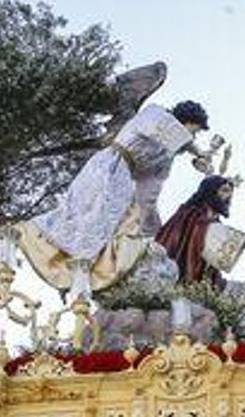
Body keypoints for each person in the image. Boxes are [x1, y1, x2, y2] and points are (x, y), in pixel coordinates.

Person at [17, 101, 213, 293]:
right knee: (86, 218)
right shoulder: (156, 114)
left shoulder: (165, 155)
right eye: (193, 130)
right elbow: (166, 131)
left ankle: (86, 276)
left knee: (118, 227)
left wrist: (151, 225)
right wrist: (197, 151)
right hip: (108, 167)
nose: (192, 136)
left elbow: (150, 189)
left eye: (194, 134)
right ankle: (27, 235)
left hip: (124, 180)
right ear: (184, 120)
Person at [155, 175, 245, 289]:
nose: (229, 197)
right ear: (210, 191)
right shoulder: (191, 215)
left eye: (231, 193)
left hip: (190, 290)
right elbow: (203, 231)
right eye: (225, 190)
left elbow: (212, 275)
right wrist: (242, 240)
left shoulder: (213, 223)